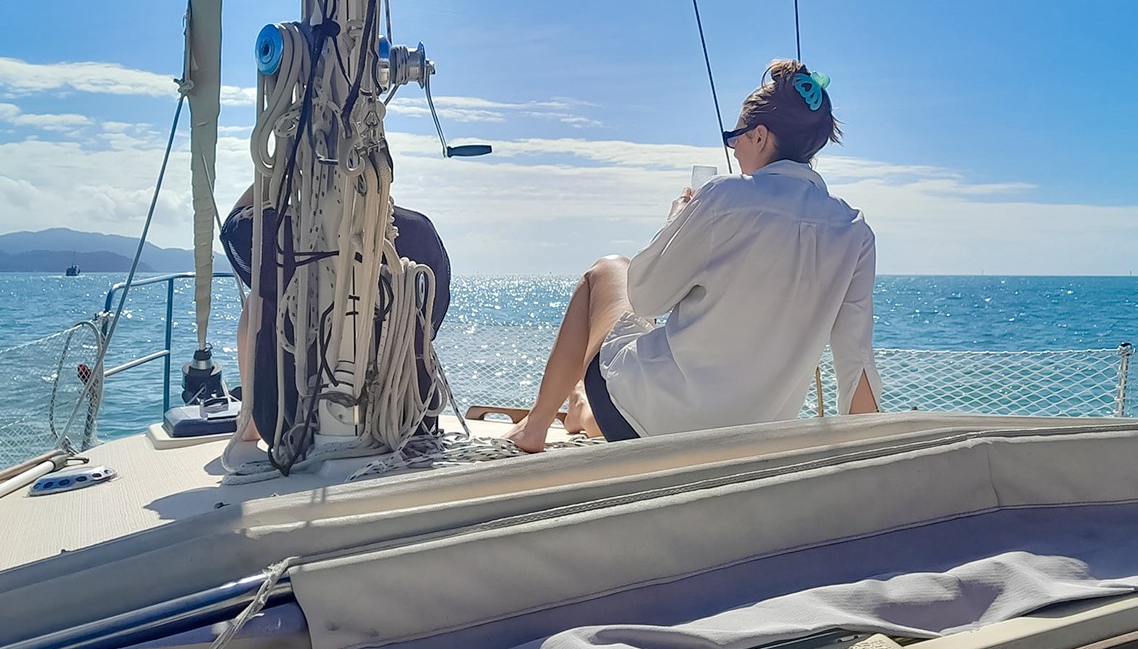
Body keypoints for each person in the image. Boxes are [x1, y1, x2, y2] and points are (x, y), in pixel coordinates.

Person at [505, 59, 881, 453]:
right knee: (616, 396)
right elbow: (855, 361)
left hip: (654, 422)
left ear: (759, 136)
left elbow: (646, 299)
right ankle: (580, 409)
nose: (734, 148)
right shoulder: (854, 230)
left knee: (606, 269)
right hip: (753, 440)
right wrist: (872, 456)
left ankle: (536, 427)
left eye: (735, 136)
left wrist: (677, 221)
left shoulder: (724, 196)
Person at [221, 186, 452, 445]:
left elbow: (231, 227)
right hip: (411, 424)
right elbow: (432, 317)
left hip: (293, 429)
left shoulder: (274, 229)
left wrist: (278, 171)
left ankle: (250, 421)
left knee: (257, 300)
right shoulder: (421, 231)